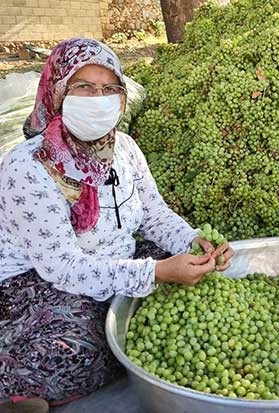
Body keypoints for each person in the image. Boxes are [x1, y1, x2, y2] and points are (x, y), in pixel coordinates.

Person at [0, 38, 234, 411]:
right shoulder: (28, 167)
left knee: (188, 288)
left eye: (109, 88)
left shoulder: (123, 148)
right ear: (59, 92)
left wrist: (194, 240)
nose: (98, 97)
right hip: (41, 280)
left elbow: (154, 214)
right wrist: (156, 272)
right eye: (84, 87)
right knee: (82, 345)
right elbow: (63, 267)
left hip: (115, 259)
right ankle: (14, 393)